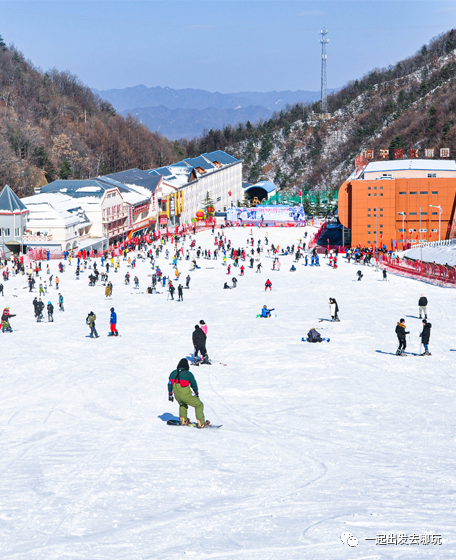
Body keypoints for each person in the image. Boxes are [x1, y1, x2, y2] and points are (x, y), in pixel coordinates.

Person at [168, 358, 210, 428]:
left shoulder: (172, 373)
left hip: (177, 396)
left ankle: (183, 420)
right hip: (186, 395)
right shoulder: (188, 374)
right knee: (199, 404)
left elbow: (169, 384)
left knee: (182, 405)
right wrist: (196, 393)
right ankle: (201, 422)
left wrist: (170, 394)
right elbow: (194, 384)